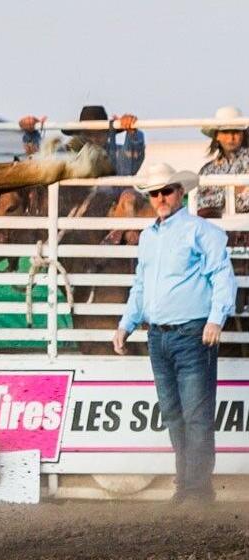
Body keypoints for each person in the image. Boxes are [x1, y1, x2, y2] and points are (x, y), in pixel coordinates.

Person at [113, 163, 237, 504]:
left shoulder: (201, 231)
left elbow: (222, 276)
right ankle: (188, 486)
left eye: (166, 191)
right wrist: (126, 323)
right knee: (174, 413)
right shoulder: (149, 238)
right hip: (160, 336)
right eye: (155, 193)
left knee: (194, 414)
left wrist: (216, 318)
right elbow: (140, 286)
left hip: (193, 332)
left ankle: (195, 489)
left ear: (180, 192)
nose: (160, 198)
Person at [20, 105, 145, 176]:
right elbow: (40, 157)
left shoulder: (117, 154)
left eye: (100, 132)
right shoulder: (69, 152)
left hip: (110, 213)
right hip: (74, 213)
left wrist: (132, 132)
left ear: (107, 134)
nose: (95, 138)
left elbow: (131, 161)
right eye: (89, 133)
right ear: (81, 134)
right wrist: (31, 132)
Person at [197, 106, 249, 217]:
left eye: (235, 131)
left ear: (242, 134)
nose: (231, 138)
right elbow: (201, 204)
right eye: (226, 132)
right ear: (217, 135)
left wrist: (219, 197)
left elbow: (245, 204)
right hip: (219, 228)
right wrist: (233, 192)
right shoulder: (207, 170)